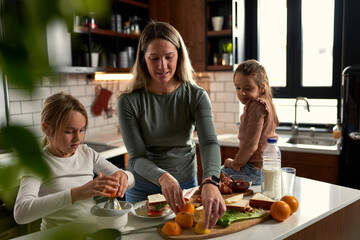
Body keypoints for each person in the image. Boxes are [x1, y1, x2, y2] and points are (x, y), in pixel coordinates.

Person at [118, 21, 226, 229]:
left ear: (179, 56)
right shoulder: (129, 101)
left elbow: (209, 142)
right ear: (143, 59)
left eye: (169, 57)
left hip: (186, 187)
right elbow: (137, 156)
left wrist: (211, 181)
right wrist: (163, 177)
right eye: (154, 58)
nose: (162, 66)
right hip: (141, 187)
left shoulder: (196, 96)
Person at [14, 92, 135, 230]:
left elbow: (131, 180)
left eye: (82, 130)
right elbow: (21, 213)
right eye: (69, 131)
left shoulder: (87, 153)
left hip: (91, 231)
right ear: (47, 128)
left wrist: (123, 176)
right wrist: (77, 193)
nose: (77, 138)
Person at [222, 59, 279, 185]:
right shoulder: (265, 103)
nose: (242, 93)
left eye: (248, 88)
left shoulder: (256, 106)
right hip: (262, 168)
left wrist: (234, 163)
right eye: (238, 88)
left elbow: (250, 145)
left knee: (217, 175)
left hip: (254, 170)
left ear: (262, 87)